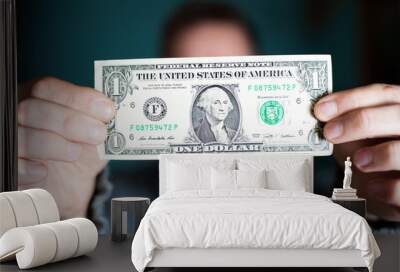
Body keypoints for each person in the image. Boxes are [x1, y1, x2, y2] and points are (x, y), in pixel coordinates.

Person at [18, 1, 400, 225]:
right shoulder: (123, 202)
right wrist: (62, 218)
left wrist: (374, 198)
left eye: (235, 76)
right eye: (195, 80)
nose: (217, 95)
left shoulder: (324, 195)